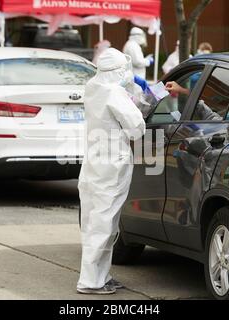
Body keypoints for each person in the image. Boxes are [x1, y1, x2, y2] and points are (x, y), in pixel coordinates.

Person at [77, 48, 146, 295]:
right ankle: (91, 281)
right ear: (118, 71)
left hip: (93, 163)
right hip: (112, 165)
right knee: (105, 224)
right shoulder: (113, 92)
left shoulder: (93, 87)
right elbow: (137, 127)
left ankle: (101, 276)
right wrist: (136, 102)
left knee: (93, 221)